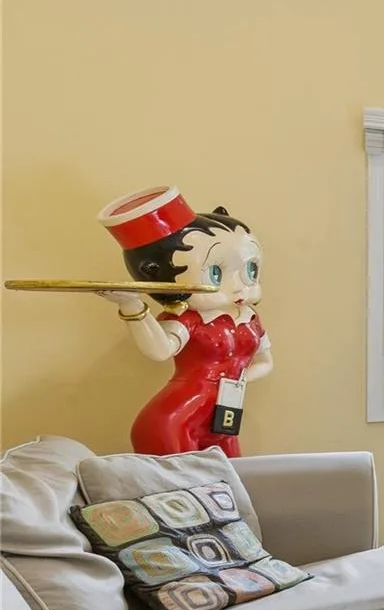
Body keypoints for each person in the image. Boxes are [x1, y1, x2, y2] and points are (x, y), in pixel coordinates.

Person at [94, 186, 271, 456]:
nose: (238, 287)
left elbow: (266, 361)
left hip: (223, 419)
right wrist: (132, 305)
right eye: (215, 272)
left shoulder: (250, 319)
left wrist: (239, 380)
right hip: (175, 421)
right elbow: (160, 350)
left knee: (232, 484)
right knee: (188, 490)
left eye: (249, 269)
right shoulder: (187, 320)